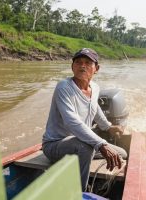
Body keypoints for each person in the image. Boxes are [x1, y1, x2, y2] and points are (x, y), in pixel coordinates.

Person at [42, 48, 127, 192]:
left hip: (80, 143)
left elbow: (95, 110)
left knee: (121, 153)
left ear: (96, 68)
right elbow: (72, 122)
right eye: (78, 62)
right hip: (55, 146)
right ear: (72, 66)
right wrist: (101, 144)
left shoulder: (95, 87)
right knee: (85, 147)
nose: (82, 66)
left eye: (88, 63)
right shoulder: (63, 87)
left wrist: (108, 127)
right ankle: (80, 192)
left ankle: (80, 163)